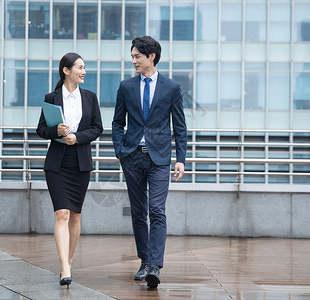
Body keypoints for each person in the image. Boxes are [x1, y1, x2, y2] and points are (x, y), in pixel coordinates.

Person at [112, 36, 187, 288]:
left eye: (136, 56)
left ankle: (155, 265)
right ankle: (145, 261)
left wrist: (180, 160)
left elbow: (180, 127)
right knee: (137, 212)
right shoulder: (126, 87)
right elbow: (116, 122)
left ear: (151, 56)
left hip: (159, 159)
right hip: (132, 156)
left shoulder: (172, 88)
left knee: (156, 210)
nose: (133, 60)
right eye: (132, 56)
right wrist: (120, 150)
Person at [37, 53, 102, 287]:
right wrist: (58, 132)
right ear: (66, 70)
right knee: (61, 213)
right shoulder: (51, 98)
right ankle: (64, 267)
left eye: (84, 68)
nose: (84, 72)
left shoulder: (90, 97)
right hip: (57, 164)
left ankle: (70, 260)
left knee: (75, 215)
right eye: (80, 68)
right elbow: (41, 129)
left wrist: (77, 137)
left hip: (80, 163)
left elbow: (97, 128)